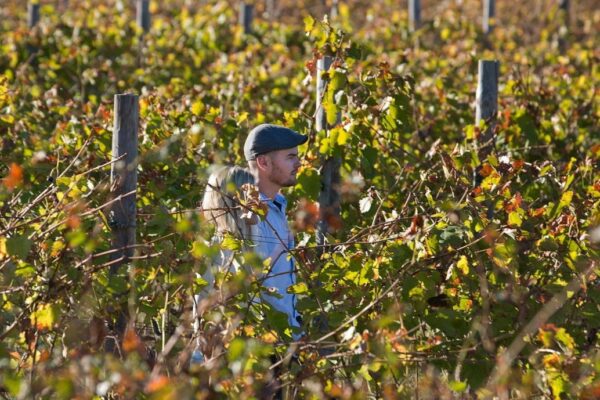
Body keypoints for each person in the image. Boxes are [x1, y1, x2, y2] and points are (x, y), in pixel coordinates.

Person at [243, 123, 308, 341]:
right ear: (263, 162)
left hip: (285, 339)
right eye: (290, 157)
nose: (298, 163)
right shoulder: (247, 215)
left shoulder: (278, 207)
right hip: (261, 345)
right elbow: (253, 281)